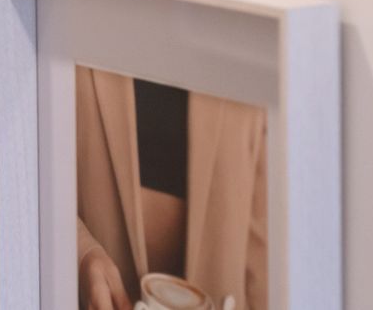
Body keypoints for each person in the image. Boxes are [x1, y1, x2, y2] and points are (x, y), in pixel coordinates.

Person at [76, 67, 267, 310]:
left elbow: (260, 258)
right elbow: (26, 177)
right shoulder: (78, 37)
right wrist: (81, 253)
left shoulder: (250, 50)